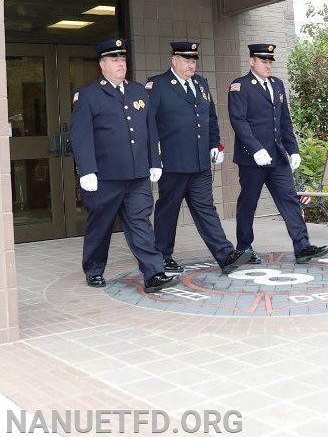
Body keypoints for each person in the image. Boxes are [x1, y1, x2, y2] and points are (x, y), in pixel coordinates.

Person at [69, 38, 177, 293]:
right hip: (105, 176)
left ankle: (154, 273)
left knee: (140, 221)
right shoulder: (87, 95)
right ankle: (93, 269)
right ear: (102, 64)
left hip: (137, 174)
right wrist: (86, 170)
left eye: (123, 59)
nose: (121, 64)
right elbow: (81, 135)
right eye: (115, 60)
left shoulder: (139, 91)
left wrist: (155, 161)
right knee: (101, 224)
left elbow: (150, 129)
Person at [147, 42, 248, 276]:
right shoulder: (158, 85)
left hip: (200, 163)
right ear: (174, 61)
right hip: (172, 163)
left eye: (194, 60)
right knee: (168, 210)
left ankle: (225, 255)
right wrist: (154, 158)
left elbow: (210, 117)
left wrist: (215, 144)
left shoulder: (201, 84)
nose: (191, 64)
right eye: (186, 60)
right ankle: (163, 255)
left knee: (206, 209)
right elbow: (148, 125)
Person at [227, 43, 328, 263]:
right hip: (253, 159)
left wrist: (293, 150)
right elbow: (239, 121)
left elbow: (285, 121)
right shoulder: (240, 86)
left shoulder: (277, 84)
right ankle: (244, 247)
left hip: (277, 156)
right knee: (249, 202)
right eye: (263, 61)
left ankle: (302, 247)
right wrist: (255, 149)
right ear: (252, 61)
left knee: (290, 200)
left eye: (270, 61)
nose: (268, 65)